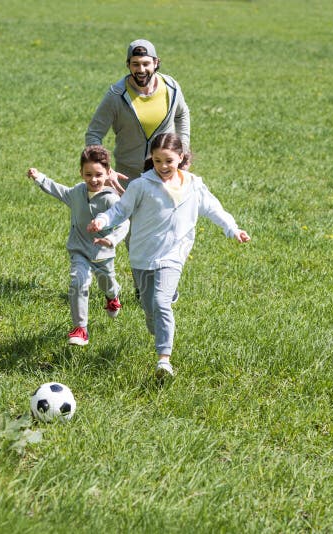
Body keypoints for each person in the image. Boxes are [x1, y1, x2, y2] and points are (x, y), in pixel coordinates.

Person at [87, 133, 251, 379]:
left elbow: (214, 209)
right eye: (157, 160)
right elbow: (121, 210)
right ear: (151, 159)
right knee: (149, 308)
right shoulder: (141, 185)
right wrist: (102, 220)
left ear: (181, 158)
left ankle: (164, 360)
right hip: (142, 256)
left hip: (174, 254)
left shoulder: (194, 185)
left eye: (169, 160)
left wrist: (233, 229)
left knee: (161, 303)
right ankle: (161, 308)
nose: (163, 166)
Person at [26, 146, 129, 346]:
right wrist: (40, 178)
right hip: (79, 250)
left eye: (98, 175)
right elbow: (59, 191)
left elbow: (125, 222)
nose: (93, 179)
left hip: (102, 254)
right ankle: (80, 329)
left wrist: (112, 239)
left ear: (108, 173)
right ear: (81, 172)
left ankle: (113, 297)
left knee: (106, 283)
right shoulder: (77, 192)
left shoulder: (111, 199)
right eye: (88, 174)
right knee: (78, 283)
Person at [86, 39, 191, 193]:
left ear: (156, 63)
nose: (141, 69)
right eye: (135, 64)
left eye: (146, 63)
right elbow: (93, 134)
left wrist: (183, 152)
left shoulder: (171, 88)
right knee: (128, 217)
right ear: (128, 65)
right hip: (128, 177)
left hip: (165, 172)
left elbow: (182, 115)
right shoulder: (116, 95)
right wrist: (104, 170)